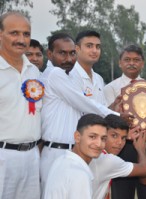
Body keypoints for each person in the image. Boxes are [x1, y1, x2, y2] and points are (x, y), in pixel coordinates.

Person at [40, 32, 120, 192]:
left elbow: (92, 111)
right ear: (50, 54)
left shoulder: (71, 76)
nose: (68, 59)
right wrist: (117, 117)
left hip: (75, 151)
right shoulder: (54, 74)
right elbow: (83, 102)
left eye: (72, 53)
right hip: (57, 151)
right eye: (62, 53)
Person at [104, 44, 146, 199]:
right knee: (121, 193)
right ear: (120, 63)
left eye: (136, 60)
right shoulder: (110, 88)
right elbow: (106, 119)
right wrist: (116, 109)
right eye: (127, 59)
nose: (131, 63)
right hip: (122, 146)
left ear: (142, 63)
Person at [0, 11, 42, 199]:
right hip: (3, 158)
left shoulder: (34, 71)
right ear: (0, 34)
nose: (21, 39)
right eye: (14, 33)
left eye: (26, 34)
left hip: (32, 157)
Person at [43, 113, 108, 199]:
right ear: (77, 137)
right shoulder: (80, 174)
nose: (99, 144)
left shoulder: (61, 160)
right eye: (92, 137)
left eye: (103, 138)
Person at [89, 114, 146, 199]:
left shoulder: (92, 153)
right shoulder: (108, 160)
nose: (119, 143)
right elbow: (145, 169)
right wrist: (141, 149)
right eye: (114, 136)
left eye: (123, 138)